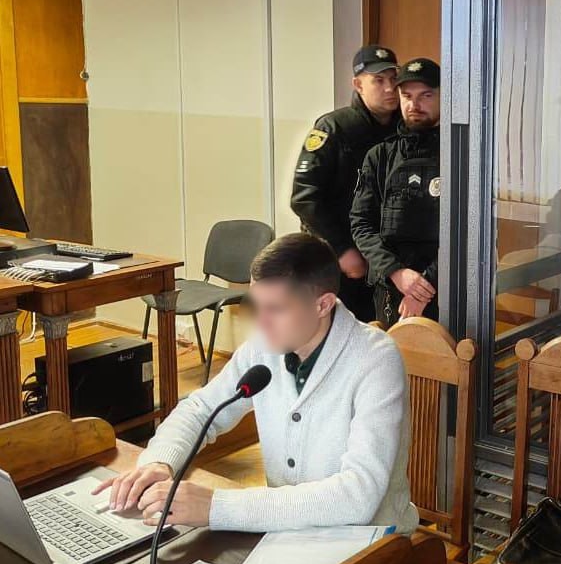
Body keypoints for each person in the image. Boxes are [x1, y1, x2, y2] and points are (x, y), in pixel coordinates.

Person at [93, 233, 418, 534]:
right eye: (256, 305)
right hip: (290, 535)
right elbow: (200, 409)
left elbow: (358, 496)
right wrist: (160, 461)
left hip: (371, 542)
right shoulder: (265, 346)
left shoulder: (375, 360)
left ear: (323, 304)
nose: (260, 323)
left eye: (275, 309)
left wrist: (216, 507)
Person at [290, 45, 401, 321]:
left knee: (377, 332)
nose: (389, 88)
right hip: (338, 258)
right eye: (379, 80)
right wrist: (342, 250)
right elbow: (305, 198)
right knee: (333, 330)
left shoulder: (404, 129)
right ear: (358, 85)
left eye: (393, 79)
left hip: (382, 257)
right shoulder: (334, 127)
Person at [350, 58, 441, 327]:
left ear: (443, 97)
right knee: (393, 352)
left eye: (426, 95)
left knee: (447, 354)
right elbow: (361, 224)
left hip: (446, 288)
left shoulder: (460, 155)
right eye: (407, 96)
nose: (414, 105)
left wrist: (424, 286)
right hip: (392, 286)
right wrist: (397, 273)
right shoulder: (380, 156)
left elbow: (466, 232)